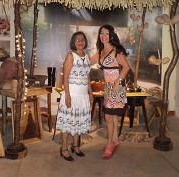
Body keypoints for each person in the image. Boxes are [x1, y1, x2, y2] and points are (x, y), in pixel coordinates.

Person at [90, 24, 130, 159]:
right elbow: (89, 60)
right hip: (108, 88)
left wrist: (118, 81)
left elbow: (126, 67)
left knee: (108, 116)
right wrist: (75, 56)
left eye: (106, 34)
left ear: (111, 35)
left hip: (116, 86)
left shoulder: (116, 49)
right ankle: (116, 140)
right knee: (112, 116)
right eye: (101, 33)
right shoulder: (100, 50)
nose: (104, 36)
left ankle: (109, 145)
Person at [55, 31, 93, 162]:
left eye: (82, 39)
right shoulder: (71, 56)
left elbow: (87, 76)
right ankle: (64, 148)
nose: (80, 42)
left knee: (78, 122)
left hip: (83, 95)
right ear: (73, 42)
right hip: (72, 94)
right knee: (67, 122)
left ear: (85, 42)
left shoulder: (87, 57)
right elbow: (65, 76)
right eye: (77, 40)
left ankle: (75, 146)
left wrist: (91, 93)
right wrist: (67, 96)